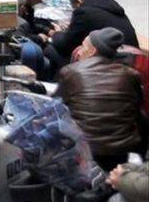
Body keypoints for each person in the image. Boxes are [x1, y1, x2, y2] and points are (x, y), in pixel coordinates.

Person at [56, 28, 142, 171]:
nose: (79, 50)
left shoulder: (71, 71)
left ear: (92, 51)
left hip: (84, 149)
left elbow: (57, 106)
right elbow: (136, 105)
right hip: (122, 150)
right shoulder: (131, 74)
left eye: (83, 46)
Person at [48, 0, 139, 71]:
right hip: (133, 58)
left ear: (79, 2)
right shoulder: (110, 6)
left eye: (74, 7)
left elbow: (66, 45)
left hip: (112, 62)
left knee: (51, 50)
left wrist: (56, 33)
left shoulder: (83, 12)